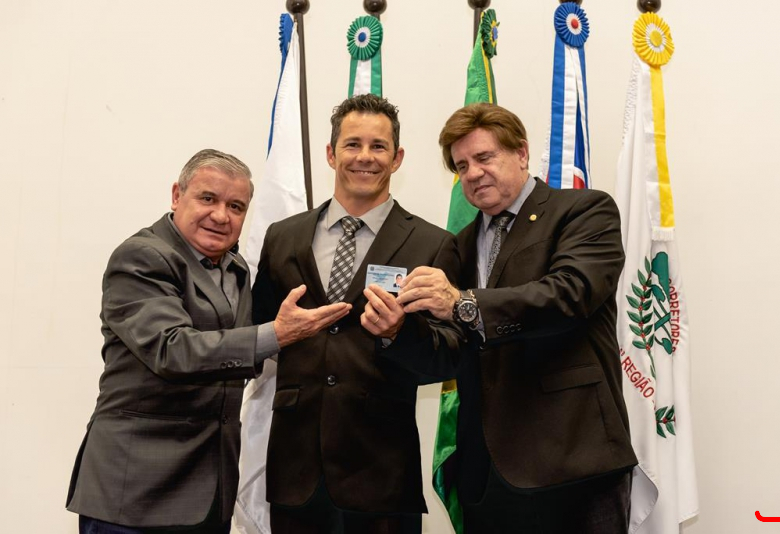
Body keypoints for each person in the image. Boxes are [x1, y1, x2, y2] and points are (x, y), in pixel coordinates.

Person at [66, 149, 350, 533]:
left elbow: (236, 358)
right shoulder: (141, 257)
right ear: (176, 195)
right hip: (135, 495)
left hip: (209, 494)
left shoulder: (235, 268)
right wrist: (277, 334)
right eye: (208, 198)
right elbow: (173, 350)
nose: (220, 215)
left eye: (235, 206)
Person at [395, 103, 638, 533]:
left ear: (521, 153)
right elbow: (449, 352)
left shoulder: (584, 211)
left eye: (484, 157)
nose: (473, 174)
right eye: (461, 166)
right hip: (487, 473)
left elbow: (569, 295)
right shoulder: (458, 246)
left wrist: (464, 303)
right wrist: (397, 331)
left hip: (574, 461)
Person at [251, 94, 462, 534]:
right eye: (352, 144)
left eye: (378, 146)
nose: (365, 156)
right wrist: (275, 332)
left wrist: (399, 332)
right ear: (331, 154)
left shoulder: (433, 244)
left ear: (397, 158)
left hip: (382, 474)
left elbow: (450, 356)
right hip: (295, 474)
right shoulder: (282, 237)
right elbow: (255, 336)